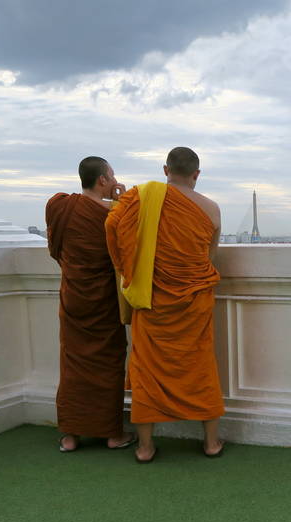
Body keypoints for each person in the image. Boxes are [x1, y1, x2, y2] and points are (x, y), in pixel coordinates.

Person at [105, 147, 225, 463]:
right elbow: (209, 256)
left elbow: (113, 229)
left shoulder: (139, 199)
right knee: (200, 367)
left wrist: (129, 269)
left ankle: (145, 448)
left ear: (165, 170)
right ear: (196, 174)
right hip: (194, 302)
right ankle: (211, 443)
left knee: (146, 370)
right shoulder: (211, 209)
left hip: (152, 300)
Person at [45, 156, 136, 452]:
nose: (113, 180)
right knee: (108, 362)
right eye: (111, 175)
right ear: (102, 180)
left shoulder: (59, 205)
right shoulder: (115, 212)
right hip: (103, 298)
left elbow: (55, 249)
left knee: (73, 364)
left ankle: (71, 436)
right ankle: (113, 435)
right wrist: (119, 199)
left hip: (74, 295)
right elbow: (125, 250)